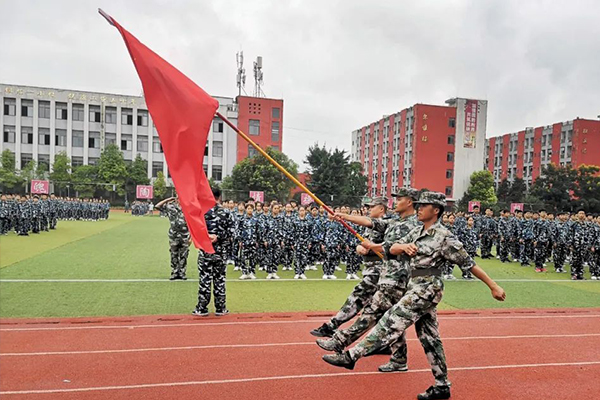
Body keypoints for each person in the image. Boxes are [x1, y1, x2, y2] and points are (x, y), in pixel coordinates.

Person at [322, 191, 506, 400]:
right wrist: (400, 246)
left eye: (424, 206)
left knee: (390, 319)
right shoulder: (418, 231)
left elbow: (469, 264)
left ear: (435, 210)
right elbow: (391, 247)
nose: (419, 209)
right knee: (430, 338)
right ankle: (442, 385)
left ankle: (351, 356)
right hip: (414, 285)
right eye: (418, 205)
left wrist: (493, 286)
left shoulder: (444, 237)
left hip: (427, 288)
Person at [316, 190, 420, 372]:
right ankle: (399, 359)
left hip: (400, 278)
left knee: (372, 312)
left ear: (410, 202)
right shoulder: (394, 221)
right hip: (387, 276)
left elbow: (400, 248)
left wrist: (373, 247)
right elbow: (370, 222)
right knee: (392, 319)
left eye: (399, 199)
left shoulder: (415, 225)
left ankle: (340, 341)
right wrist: (344, 216)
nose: (395, 202)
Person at [194, 187, 234, 316]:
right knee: (219, 280)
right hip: (221, 253)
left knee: (205, 280)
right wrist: (219, 237)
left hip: (206, 251)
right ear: (220, 197)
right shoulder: (227, 213)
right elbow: (232, 233)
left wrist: (208, 237)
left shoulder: (202, 212)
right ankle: (220, 308)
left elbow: (196, 229)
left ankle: (202, 308)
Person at [154, 196, 190, 280]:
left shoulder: (188, 207)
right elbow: (157, 206)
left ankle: (182, 273)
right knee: (173, 254)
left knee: (184, 254)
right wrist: (168, 199)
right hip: (173, 234)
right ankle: (174, 272)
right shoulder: (170, 207)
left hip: (185, 234)